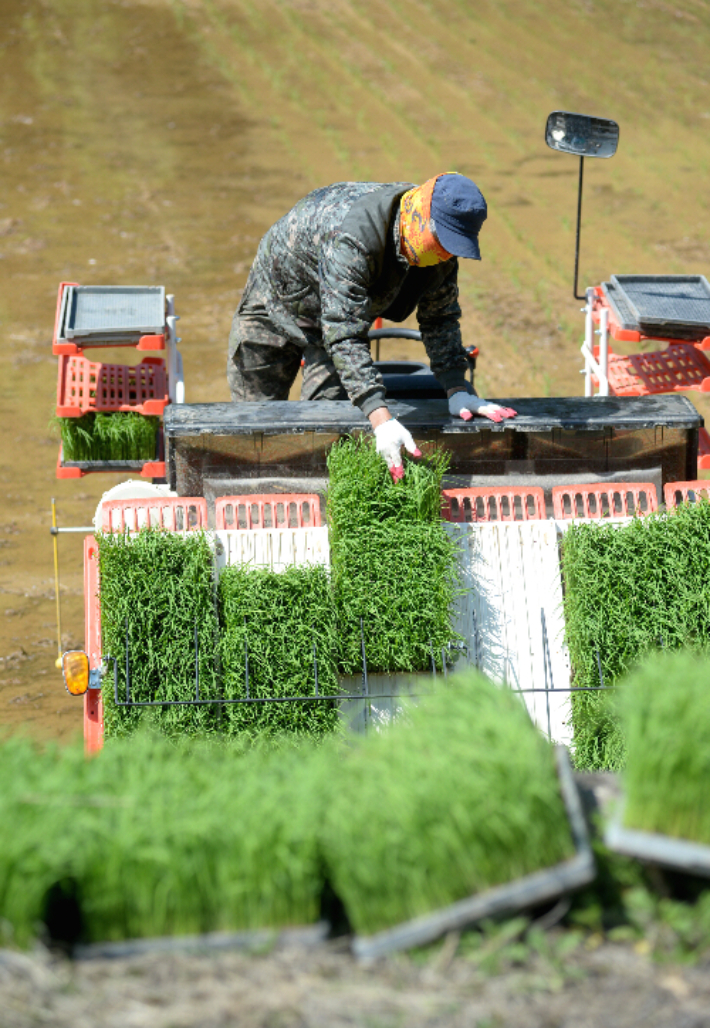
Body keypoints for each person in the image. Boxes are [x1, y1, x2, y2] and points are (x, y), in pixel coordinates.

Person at [227, 173, 517, 479]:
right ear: (418, 216)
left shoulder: (438, 254)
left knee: (327, 423)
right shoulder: (354, 236)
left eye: (454, 246)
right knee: (256, 425)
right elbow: (344, 333)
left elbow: (439, 318)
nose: (446, 254)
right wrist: (382, 418)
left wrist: (457, 388)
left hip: (341, 312)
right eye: (443, 241)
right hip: (279, 297)